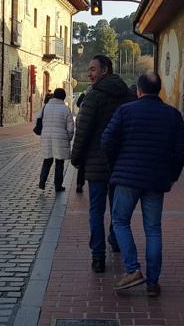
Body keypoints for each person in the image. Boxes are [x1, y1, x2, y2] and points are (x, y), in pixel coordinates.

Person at [101, 73, 184, 297]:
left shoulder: (125, 111)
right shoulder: (173, 115)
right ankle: (152, 283)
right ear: (159, 90)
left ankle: (132, 270)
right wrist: (172, 175)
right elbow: (181, 150)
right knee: (153, 229)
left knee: (120, 221)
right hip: (156, 179)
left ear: (139, 91)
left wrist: (116, 165)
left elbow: (107, 140)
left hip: (127, 178)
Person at [71, 54, 136, 273]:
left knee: (96, 210)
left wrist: (77, 158)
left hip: (97, 164)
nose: (89, 74)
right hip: (122, 164)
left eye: (93, 69)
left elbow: (83, 131)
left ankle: (98, 256)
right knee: (118, 210)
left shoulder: (94, 97)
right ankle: (116, 241)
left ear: (105, 70)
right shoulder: (129, 96)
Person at [37, 88, 74, 192]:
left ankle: (42, 182)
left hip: (46, 137)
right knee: (59, 163)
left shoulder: (46, 107)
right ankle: (58, 185)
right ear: (63, 97)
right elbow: (71, 127)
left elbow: (38, 118)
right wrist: (68, 138)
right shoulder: (66, 109)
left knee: (47, 160)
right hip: (60, 139)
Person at [74, 84, 93, 194]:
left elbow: (79, 121)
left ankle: (79, 183)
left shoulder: (83, 103)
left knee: (82, 161)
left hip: (84, 135)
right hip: (94, 137)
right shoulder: (95, 100)